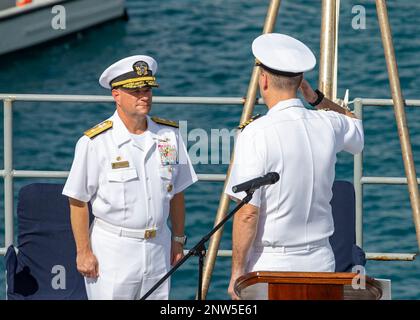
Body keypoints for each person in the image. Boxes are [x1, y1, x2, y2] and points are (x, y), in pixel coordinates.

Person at [224, 33, 364, 299]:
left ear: (263, 80)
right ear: (301, 81)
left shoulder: (255, 133)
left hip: (271, 265)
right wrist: (316, 99)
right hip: (321, 260)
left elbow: (247, 214)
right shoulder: (328, 124)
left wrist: (237, 273)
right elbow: (355, 124)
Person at [62, 55, 197, 300]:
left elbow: (177, 192)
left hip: (159, 246)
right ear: (116, 95)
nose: (144, 96)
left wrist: (178, 238)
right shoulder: (95, 142)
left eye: (147, 89)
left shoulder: (169, 137)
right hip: (114, 251)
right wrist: (83, 251)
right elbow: (78, 201)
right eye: (135, 91)